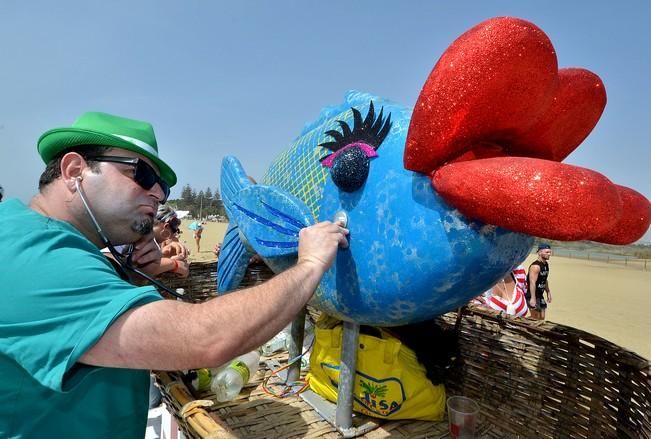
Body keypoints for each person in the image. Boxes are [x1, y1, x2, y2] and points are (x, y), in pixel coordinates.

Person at [0, 111, 349, 438]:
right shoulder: (33, 254)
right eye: (144, 175)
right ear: (75, 170)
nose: (157, 194)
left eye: (163, 189)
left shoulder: (34, 234)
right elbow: (204, 338)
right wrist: (310, 265)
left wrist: (132, 278)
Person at [527, 243, 552, 320]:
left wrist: (548, 292)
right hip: (533, 295)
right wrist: (533, 298)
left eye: (550, 252)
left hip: (540, 295)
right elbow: (532, 282)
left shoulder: (546, 264)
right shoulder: (535, 266)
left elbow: (544, 279)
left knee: (542, 318)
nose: (549, 254)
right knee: (535, 318)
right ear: (540, 252)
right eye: (547, 252)